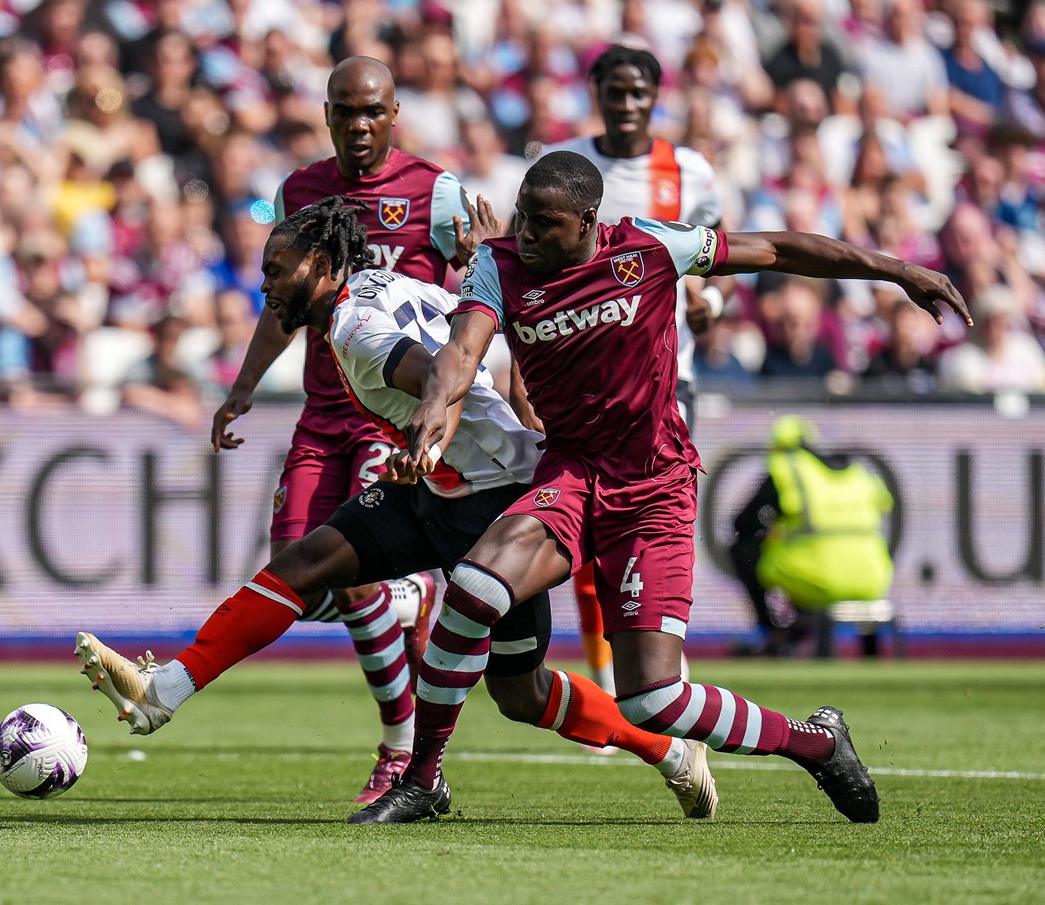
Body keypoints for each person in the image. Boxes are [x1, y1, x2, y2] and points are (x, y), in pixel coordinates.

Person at [352, 150, 971, 825]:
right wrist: (428, 425)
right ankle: (421, 779)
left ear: (589, 221)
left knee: (653, 701)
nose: (525, 232)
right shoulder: (498, 265)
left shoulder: (650, 245)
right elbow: (460, 356)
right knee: (472, 589)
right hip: (573, 473)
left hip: (654, 487)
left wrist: (900, 269)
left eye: (544, 223)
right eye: (523, 216)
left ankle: (817, 742)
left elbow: (778, 249)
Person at [76, 196, 717, 819]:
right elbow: (480, 340)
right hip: (438, 484)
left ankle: (664, 750)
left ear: (325, 266)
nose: (265, 286)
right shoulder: (387, 283)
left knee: (521, 692)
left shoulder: (355, 329)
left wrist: (435, 436)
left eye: (277, 269)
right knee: (306, 562)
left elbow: (445, 371)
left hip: (491, 501)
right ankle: (167, 689)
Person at [207, 56, 473, 804]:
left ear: (394, 116)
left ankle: (400, 748)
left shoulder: (437, 192)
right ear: (326, 116)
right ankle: (412, 608)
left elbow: (483, 294)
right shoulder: (301, 191)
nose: (357, 126)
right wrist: (244, 384)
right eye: (343, 112)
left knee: (351, 570)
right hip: (323, 412)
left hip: (391, 412)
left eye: (371, 113)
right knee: (293, 572)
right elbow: (283, 300)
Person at [538, 45, 728, 698]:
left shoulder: (690, 171)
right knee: (587, 539)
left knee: (655, 528)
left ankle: (663, 673)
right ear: (594, 92)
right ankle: (604, 680)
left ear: (655, 94)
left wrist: (712, 304)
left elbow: (715, 264)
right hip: (584, 375)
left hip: (669, 378)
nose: (625, 104)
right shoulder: (565, 167)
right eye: (613, 92)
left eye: (637, 92)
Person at [730, 416, 894, 658]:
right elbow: (885, 505)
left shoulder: (788, 470)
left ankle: (772, 631)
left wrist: (774, 531)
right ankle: (800, 630)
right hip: (874, 580)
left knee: (743, 550)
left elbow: (741, 523)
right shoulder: (858, 472)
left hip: (818, 578)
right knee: (803, 556)